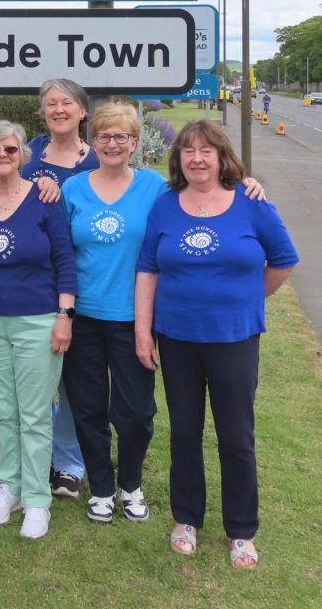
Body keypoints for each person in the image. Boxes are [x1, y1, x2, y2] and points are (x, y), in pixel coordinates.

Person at [62, 103, 265, 527]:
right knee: (87, 406)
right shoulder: (73, 189)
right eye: (104, 136)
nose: (113, 143)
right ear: (91, 142)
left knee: (136, 412)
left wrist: (245, 182)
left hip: (135, 318)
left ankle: (130, 483)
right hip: (83, 315)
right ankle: (101, 486)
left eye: (122, 137)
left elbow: (203, 194)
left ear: (135, 143)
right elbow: (60, 253)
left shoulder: (155, 189)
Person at [135, 119, 298, 570]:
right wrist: (143, 331)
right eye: (188, 151)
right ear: (178, 158)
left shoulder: (251, 202)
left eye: (207, 150)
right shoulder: (165, 206)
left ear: (222, 157)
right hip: (177, 338)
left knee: (236, 437)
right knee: (184, 432)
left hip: (234, 339)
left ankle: (241, 530)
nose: (197, 158)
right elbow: (148, 268)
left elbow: (283, 260)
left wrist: (247, 299)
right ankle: (187, 518)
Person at [0, 121, 77, 540]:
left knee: (33, 413)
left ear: (21, 153)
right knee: (2, 410)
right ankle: (7, 486)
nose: (2, 156)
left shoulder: (45, 198)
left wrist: (65, 315)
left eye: (9, 149)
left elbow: (65, 260)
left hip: (38, 319)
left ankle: (37, 498)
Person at [22, 78, 99, 499]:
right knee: (35, 380)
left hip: (86, 285)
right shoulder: (27, 157)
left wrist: (243, 185)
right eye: (50, 103)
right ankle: (38, 455)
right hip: (34, 285)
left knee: (74, 381)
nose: (58, 109)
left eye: (66, 102)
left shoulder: (97, 159)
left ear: (82, 110)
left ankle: (69, 462)